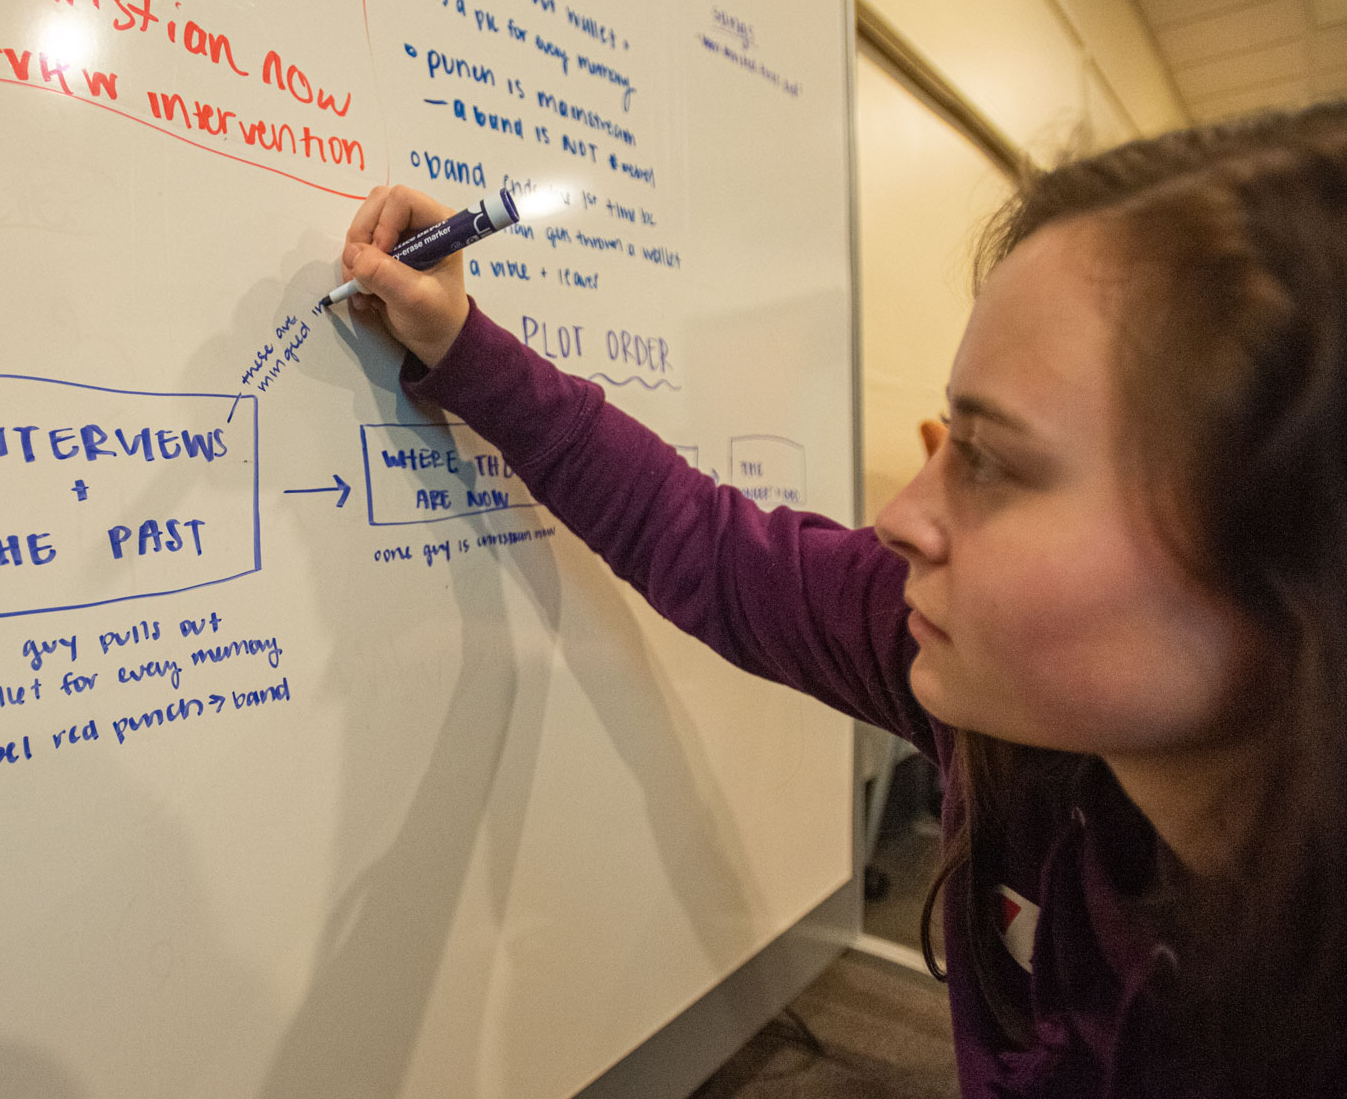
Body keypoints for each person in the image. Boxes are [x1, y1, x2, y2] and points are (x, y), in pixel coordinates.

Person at [334, 101, 1347, 1098]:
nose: (903, 515)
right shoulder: (1013, 715)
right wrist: (459, 340)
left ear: (1295, 551)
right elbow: (706, 542)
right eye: (948, 438)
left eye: (993, 461)